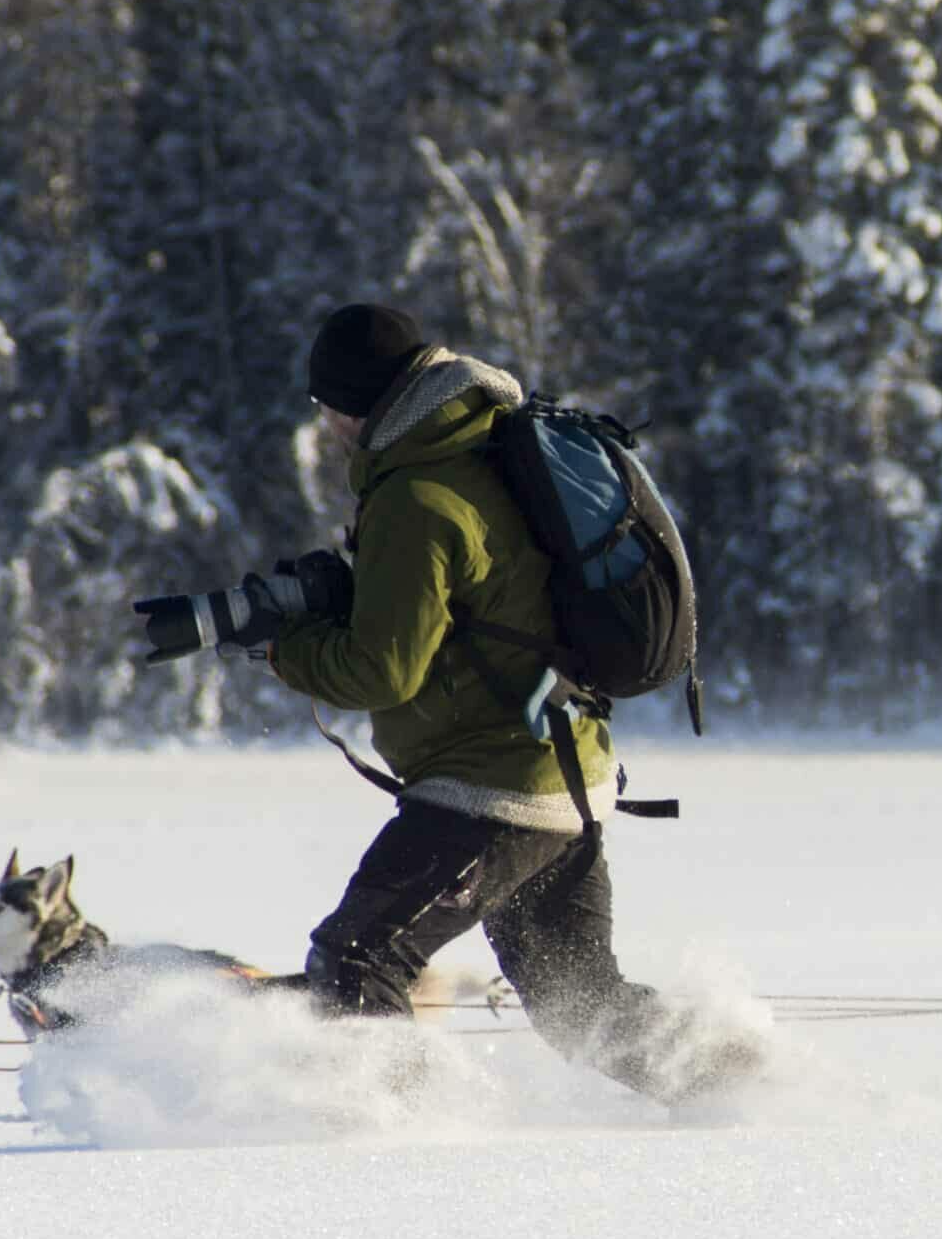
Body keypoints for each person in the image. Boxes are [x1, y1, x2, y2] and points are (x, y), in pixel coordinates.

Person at [141, 303, 760, 1105]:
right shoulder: (476, 453)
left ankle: (404, 1138)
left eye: (325, 406)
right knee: (582, 1006)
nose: (324, 424)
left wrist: (277, 650)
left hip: (492, 785)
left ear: (356, 405)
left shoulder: (417, 498)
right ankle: (756, 1090)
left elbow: (381, 671)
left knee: (357, 959)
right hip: (559, 772)